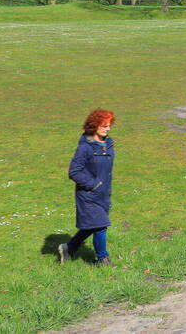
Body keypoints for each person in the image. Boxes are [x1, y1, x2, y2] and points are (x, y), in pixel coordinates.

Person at [59, 109, 116, 266]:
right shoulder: (85, 147)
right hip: (89, 195)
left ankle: (69, 248)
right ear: (94, 125)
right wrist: (93, 185)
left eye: (109, 125)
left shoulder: (108, 144)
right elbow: (74, 172)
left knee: (92, 226)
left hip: (103, 194)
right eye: (104, 125)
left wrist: (103, 189)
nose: (108, 129)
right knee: (101, 226)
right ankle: (103, 259)